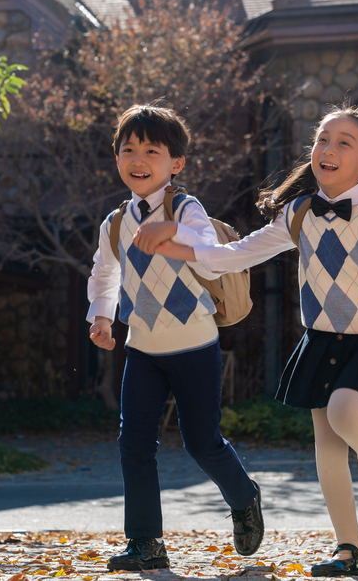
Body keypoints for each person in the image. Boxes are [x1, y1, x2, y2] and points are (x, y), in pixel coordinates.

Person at [135, 106, 358, 577]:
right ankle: (349, 550)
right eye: (323, 139)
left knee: (346, 412)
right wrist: (173, 238)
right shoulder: (298, 213)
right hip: (323, 342)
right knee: (327, 450)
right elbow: (232, 255)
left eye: (344, 142)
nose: (328, 149)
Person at [87, 105, 264, 571]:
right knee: (134, 444)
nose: (138, 158)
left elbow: (212, 256)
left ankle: (244, 496)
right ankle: (146, 543)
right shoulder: (115, 223)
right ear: (117, 158)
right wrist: (102, 318)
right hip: (142, 349)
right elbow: (105, 274)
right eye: (128, 149)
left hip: (195, 347)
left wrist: (175, 231)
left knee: (202, 442)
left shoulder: (186, 208)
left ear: (176, 164)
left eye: (151, 150)